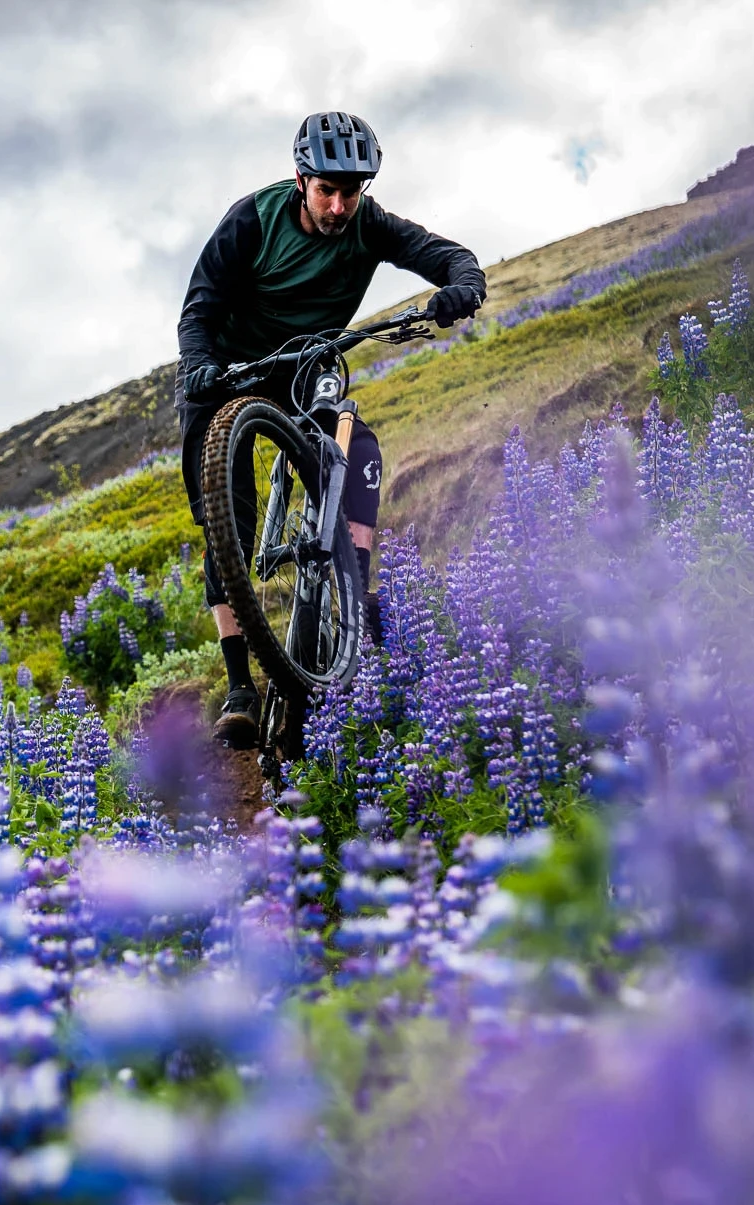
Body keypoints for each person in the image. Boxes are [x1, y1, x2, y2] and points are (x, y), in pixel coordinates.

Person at [177, 111, 487, 748]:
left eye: (353, 191)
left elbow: (444, 255)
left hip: (307, 371)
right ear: (301, 179)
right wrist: (203, 366)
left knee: (359, 451)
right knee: (225, 515)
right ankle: (239, 683)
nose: (341, 205)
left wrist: (463, 285)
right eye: (328, 190)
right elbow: (200, 306)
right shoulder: (253, 221)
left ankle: (356, 591)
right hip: (230, 372)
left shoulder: (366, 223)